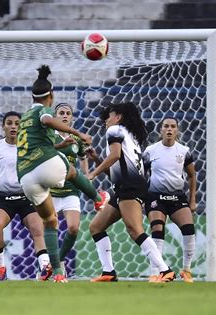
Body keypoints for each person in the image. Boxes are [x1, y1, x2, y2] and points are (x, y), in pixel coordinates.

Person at [16, 65, 109, 283]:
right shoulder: (43, 111)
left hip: (26, 176)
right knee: (72, 171)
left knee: (50, 222)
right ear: (51, 96)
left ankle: (57, 272)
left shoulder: (25, 116)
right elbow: (47, 119)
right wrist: (76, 132)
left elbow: (40, 137)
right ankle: (97, 199)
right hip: (47, 169)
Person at [86, 102, 175, 283]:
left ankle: (165, 270)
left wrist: (92, 174)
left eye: (109, 115)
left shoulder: (115, 130)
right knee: (96, 227)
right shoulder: (130, 136)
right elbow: (114, 172)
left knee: (135, 229)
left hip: (130, 187)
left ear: (118, 117)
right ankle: (108, 272)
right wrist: (96, 159)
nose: (105, 120)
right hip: (125, 186)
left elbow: (114, 156)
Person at [0, 111, 51, 281]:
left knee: (37, 228)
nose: (13, 126)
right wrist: (5, 185)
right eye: (9, 123)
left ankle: (44, 266)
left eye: (17, 123)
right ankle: (0, 267)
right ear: (3, 126)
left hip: (27, 196)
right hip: (3, 198)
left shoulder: (30, 147)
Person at [51, 102, 110, 277]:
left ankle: (58, 262)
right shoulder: (49, 136)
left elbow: (83, 156)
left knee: (73, 228)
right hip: (51, 191)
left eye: (68, 113)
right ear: (55, 117)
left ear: (71, 117)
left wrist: (85, 175)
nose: (64, 116)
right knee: (50, 230)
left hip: (71, 190)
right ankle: (49, 265)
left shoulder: (76, 138)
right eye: (61, 113)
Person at [143, 117, 197, 283]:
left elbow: (192, 175)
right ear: (160, 130)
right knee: (157, 229)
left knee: (188, 229)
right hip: (155, 196)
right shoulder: (150, 151)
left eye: (173, 126)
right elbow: (141, 175)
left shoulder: (184, 151)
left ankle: (186, 270)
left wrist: (192, 199)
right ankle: (155, 272)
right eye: (166, 126)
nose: (169, 129)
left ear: (177, 130)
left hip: (177, 196)